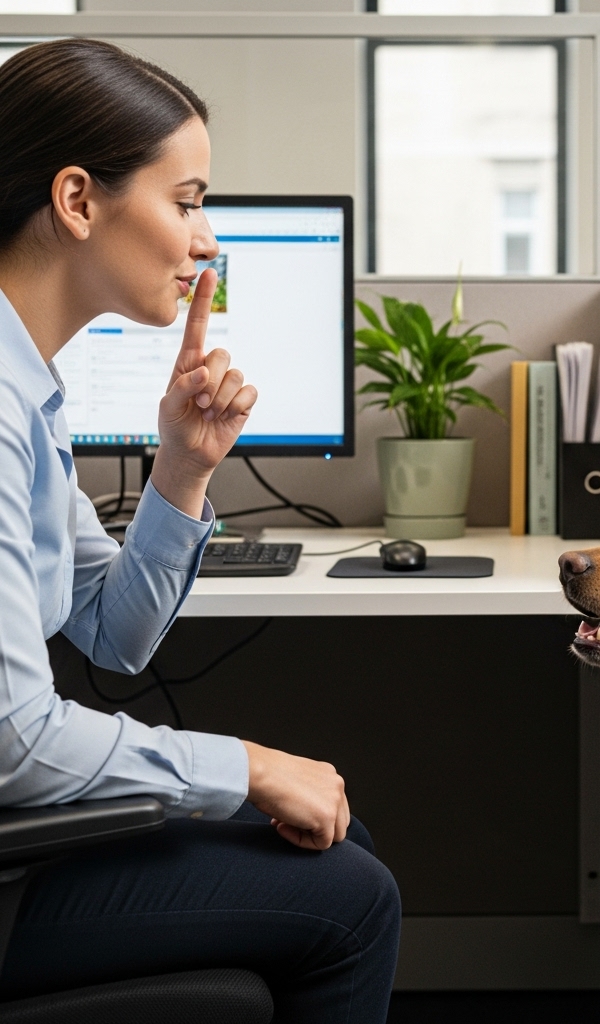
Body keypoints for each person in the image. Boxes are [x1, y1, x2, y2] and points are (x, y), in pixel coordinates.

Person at [0, 39, 399, 1022]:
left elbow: (112, 634)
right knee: (353, 899)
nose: (206, 239)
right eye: (186, 201)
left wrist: (182, 465)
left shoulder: (28, 393)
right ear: (79, 201)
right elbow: (11, 740)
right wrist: (249, 766)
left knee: (341, 849)